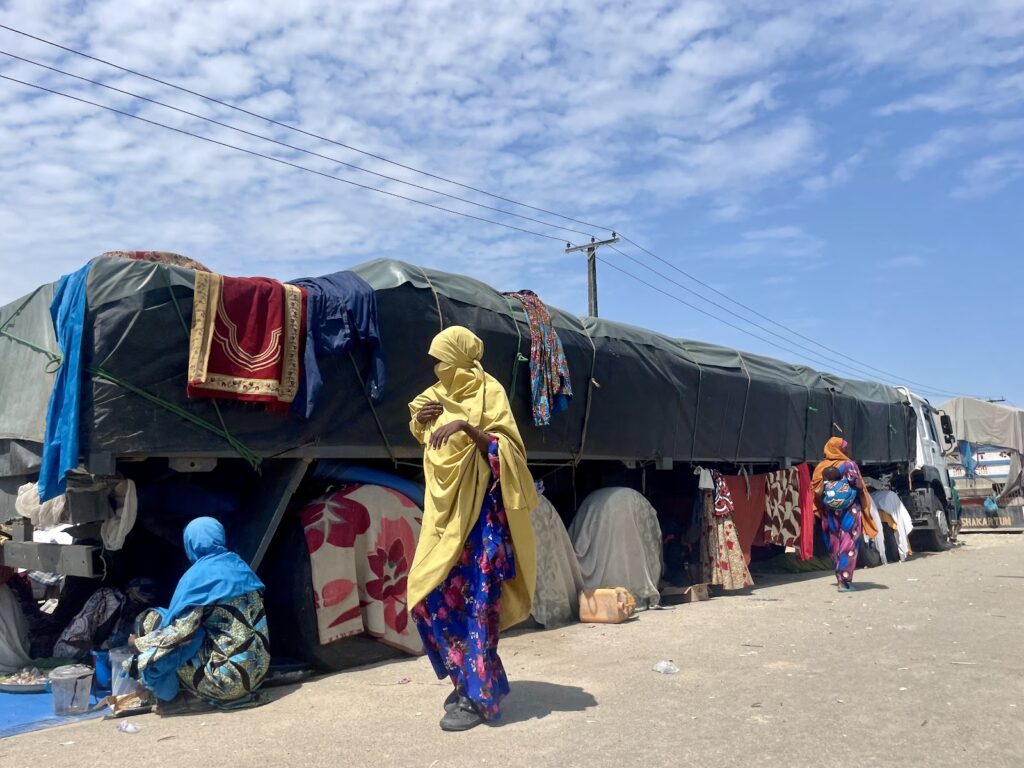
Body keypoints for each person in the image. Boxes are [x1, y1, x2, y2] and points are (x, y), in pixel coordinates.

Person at [407, 326, 538, 732]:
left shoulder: (490, 392)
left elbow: (508, 452)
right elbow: (422, 431)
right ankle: (467, 679)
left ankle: (476, 697)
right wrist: (422, 419)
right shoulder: (435, 394)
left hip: (483, 524)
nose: (438, 368)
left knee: (479, 605)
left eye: (443, 360)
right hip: (445, 519)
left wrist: (467, 427)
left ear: (461, 358)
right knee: (428, 597)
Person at [127, 517, 269, 710]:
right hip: (257, 671)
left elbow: (180, 632)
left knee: (152, 620)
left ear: (190, 543)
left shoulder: (199, 576)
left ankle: (168, 697)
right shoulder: (240, 566)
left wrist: (138, 645)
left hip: (226, 682)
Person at [812, 438, 878, 592]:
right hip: (850, 510)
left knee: (834, 543)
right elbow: (858, 485)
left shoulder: (820, 467)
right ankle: (845, 581)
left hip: (830, 511)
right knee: (849, 544)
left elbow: (815, 490)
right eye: (845, 448)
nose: (847, 451)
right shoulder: (849, 465)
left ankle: (839, 576)